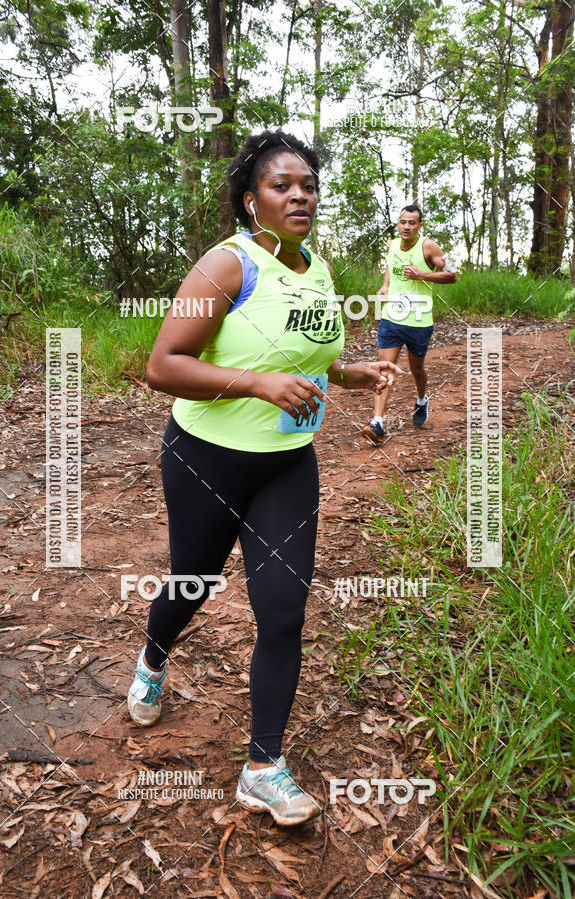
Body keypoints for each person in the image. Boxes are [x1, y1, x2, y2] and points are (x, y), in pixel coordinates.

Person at [127, 129, 402, 826]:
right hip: (205, 459)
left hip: (287, 464)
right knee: (195, 581)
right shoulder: (226, 265)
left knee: (282, 611)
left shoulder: (317, 267)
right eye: (282, 186)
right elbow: (163, 365)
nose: (300, 194)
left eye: (308, 185)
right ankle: (154, 656)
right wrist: (255, 384)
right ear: (253, 202)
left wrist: (348, 373)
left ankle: (263, 766)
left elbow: (306, 352)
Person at [361, 204, 457, 442]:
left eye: (412, 222)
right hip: (391, 318)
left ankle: (422, 399)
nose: (406, 226)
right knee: (384, 369)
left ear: (420, 225)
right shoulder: (391, 244)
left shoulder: (429, 247)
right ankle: (377, 423)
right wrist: (384, 286)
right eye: (403, 221)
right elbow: (390, 268)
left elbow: (452, 275)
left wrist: (422, 275)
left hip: (418, 321)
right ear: (398, 223)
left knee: (416, 369)